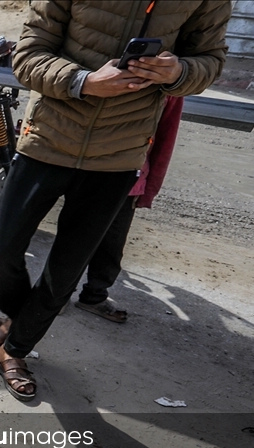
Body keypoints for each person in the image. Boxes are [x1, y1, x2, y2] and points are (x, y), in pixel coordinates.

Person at [0, 0, 230, 402]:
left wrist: (178, 71)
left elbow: (210, 60)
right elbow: (28, 55)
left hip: (121, 155)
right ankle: (20, 319)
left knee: (64, 274)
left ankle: (15, 349)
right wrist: (83, 81)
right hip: (47, 140)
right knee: (1, 252)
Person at [75, 95, 184, 323]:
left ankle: (94, 296)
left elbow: (165, 137)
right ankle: (53, 298)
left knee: (112, 244)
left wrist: (149, 188)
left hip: (130, 176)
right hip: (86, 168)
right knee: (74, 237)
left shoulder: (170, 86)